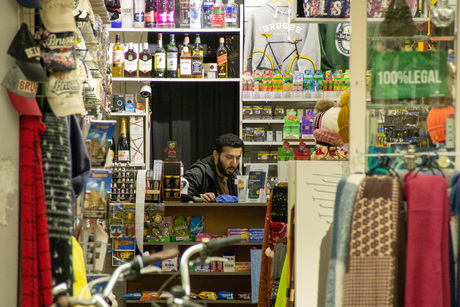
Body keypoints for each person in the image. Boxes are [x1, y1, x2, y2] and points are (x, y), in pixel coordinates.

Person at [184, 133, 243, 202]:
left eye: (238, 158)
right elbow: (181, 194)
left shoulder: (235, 174)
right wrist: (200, 198)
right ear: (216, 155)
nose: (234, 163)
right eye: (229, 157)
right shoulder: (199, 172)